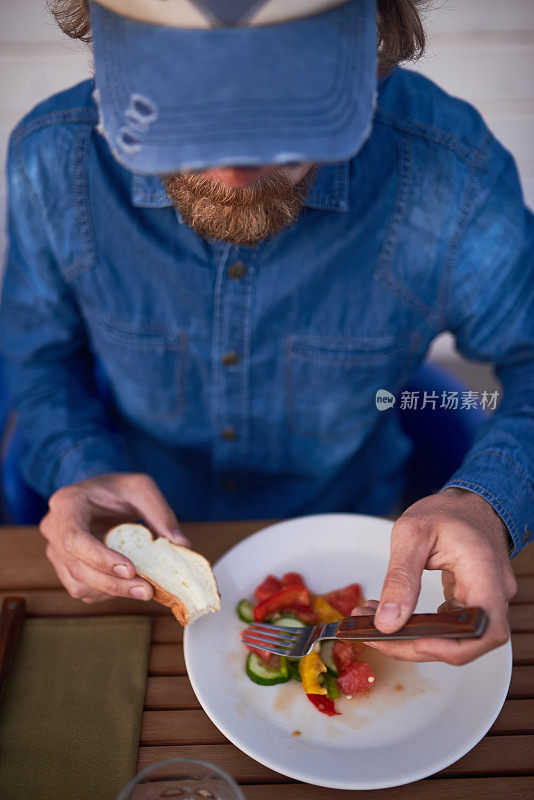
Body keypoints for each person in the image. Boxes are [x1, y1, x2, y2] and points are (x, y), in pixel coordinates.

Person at [1, 0, 531, 667]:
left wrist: (489, 501)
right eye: (190, 106)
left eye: (290, 109)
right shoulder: (51, 162)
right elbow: (40, 357)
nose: (236, 161)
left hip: (360, 553)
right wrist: (81, 466)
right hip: (139, 584)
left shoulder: (453, 172)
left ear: (375, 45)